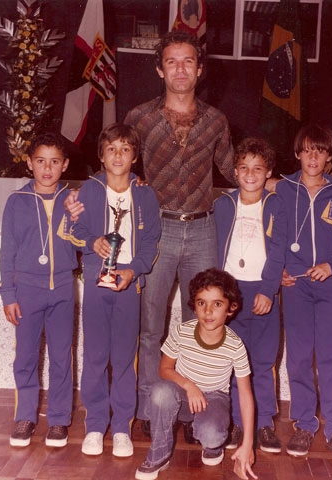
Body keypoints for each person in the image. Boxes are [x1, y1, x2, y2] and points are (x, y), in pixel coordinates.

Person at [124, 30, 238, 439]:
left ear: (200, 69)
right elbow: (120, 171)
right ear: (159, 69)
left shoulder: (216, 120)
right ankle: (146, 409)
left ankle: (193, 412)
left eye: (188, 61)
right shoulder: (139, 118)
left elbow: (234, 169)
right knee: (150, 325)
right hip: (157, 232)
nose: (180, 69)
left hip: (202, 230)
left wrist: (288, 186)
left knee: (200, 324)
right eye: (171, 61)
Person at [68, 123, 161, 457]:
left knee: (123, 358)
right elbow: (75, 232)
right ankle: (95, 424)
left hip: (127, 286)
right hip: (96, 283)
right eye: (111, 149)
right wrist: (91, 242)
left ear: (134, 156)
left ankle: (122, 425)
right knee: (95, 355)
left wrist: (133, 271)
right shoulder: (89, 191)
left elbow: (150, 243)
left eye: (125, 148)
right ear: (101, 156)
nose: (118, 155)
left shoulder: (145, 194)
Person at [276, 123, 332, 462]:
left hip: (329, 287)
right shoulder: (282, 191)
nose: (314, 157)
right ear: (298, 153)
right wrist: (279, 270)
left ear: (329, 156)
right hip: (295, 287)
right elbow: (274, 237)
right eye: (308, 150)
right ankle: (303, 424)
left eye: (321, 150)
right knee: (298, 358)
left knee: (330, 357)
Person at [135, 268, 258, 480]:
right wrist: (189, 386)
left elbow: (246, 395)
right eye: (202, 303)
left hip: (213, 399)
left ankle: (211, 444)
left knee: (212, 435)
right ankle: (159, 453)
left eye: (217, 304)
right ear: (194, 305)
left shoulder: (235, 345)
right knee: (159, 392)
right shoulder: (182, 332)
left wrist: (247, 444)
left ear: (231, 308)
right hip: (183, 395)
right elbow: (164, 369)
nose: (208, 311)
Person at [0, 132, 77, 448]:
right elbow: (7, 251)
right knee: (26, 356)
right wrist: (9, 295)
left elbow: (84, 238)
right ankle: (26, 416)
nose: (47, 168)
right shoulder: (17, 202)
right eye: (40, 161)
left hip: (64, 288)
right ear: (29, 163)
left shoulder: (73, 200)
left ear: (65, 165)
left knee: (61, 356)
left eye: (55, 162)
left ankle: (58, 421)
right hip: (28, 289)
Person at [214, 137, 285, 453]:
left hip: (262, 290)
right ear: (235, 172)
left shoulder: (275, 205)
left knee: (262, 359)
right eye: (244, 168)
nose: (251, 174)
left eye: (258, 168)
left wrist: (269, 290)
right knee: (232, 358)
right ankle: (236, 423)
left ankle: (265, 423)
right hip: (231, 292)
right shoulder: (223, 205)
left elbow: (279, 250)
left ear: (268, 171)